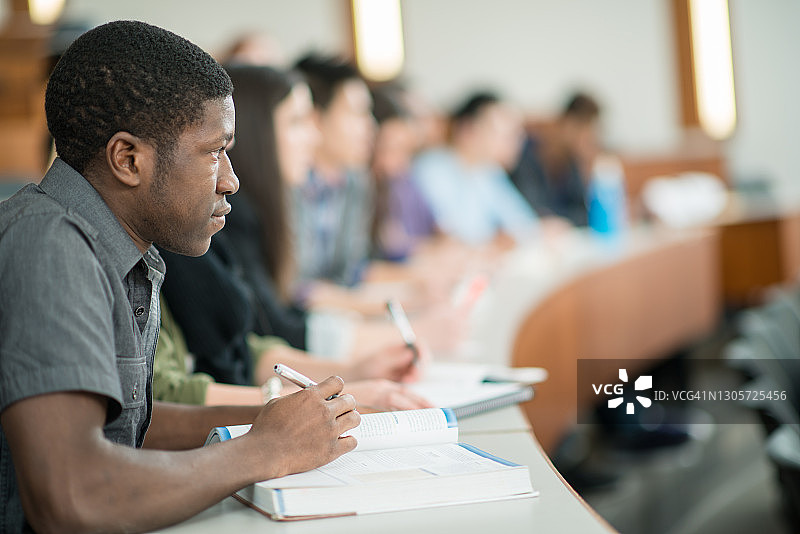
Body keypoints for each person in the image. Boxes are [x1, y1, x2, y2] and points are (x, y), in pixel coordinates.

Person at [0, 21, 359, 532]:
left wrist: (271, 421)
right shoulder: (47, 245)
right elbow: (73, 496)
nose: (231, 179)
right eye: (215, 152)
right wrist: (264, 450)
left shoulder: (117, 249)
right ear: (128, 159)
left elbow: (126, 427)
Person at [412, 91, 538, 247]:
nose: (515, 143)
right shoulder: (432, 169)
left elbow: (524, 224)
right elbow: (449, 234)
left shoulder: (489, 172)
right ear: (468, 130)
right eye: (504, 134)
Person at [510, 92, 602, 227]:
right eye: (585, 131)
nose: (589, 140)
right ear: (567, 124)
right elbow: (534, 213)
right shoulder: (527, 154)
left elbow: (585, 213)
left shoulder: (571, 162)